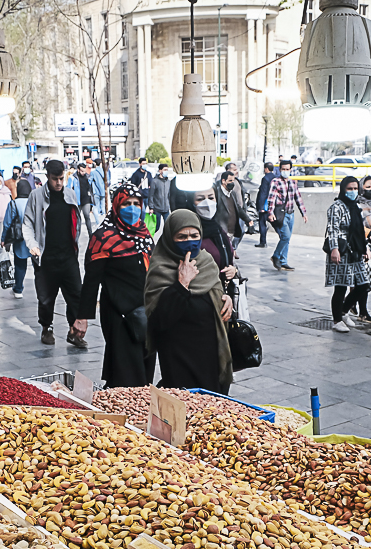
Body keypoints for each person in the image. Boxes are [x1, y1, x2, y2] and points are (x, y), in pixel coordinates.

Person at [73, 183, 155, 387]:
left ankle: (139, 410)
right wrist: (82, 317)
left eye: (137, 203)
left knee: (145, 370)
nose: (133, 208)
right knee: (125, 372)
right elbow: (91, 281)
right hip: (119, 315)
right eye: (127, 203)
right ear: (117, 206)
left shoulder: (144, 235)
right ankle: (122, 411)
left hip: (146, 314)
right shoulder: (103, 238)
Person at [144, 210, 235, 393]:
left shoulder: (206, 261)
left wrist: (226, 300)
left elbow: (217, 290)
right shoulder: (161, 267)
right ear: (170, 238)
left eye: (194, 235)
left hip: (211, 352)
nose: (189, 241)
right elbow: (159, 319)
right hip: (179, 355)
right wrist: (182, 283)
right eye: (182, 236)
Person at [21, 159, 86, 348]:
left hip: (68, 256)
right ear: (47, 177)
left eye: (61, 179)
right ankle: (46, 327)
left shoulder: (71, 194)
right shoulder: (36, 196)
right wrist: (32, 245)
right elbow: (28, 223)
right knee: (46, 297)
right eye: (54, 179)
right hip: (46, 257)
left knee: (75, 294)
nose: (58, 183)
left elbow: (77, 221)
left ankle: (74, 331)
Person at [325, 176, 371, 332]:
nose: (352, 192)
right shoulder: (336, 207)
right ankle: (337, 319)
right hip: (342, 249)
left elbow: (360, 229)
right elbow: (332, 229)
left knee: (363, 284)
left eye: (355, 188)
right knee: (341, 286)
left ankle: (344, 310)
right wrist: (334, 248)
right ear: (343, 189)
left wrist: (365, 247)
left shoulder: (356, 206)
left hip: (356, 250)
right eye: (349, 189)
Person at [264, 159, 308, 271]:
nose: (285, 171)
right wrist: (270, 213)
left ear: (290, 170)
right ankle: (276, 256)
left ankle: (283, 261)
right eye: (283, 169)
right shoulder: (276, 181)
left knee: (287, 239)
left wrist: (304, 213)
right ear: (280, 170)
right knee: (285, 236)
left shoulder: (293, 182)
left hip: (290, 214)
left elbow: (298, 198)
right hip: (280, 214)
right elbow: (271, 199)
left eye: (287, 169)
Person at [1, 193, 29, 300]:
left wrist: (4, 239)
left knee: (20, 263)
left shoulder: (14, 203)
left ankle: (18, 289)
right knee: (38, 266)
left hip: (19, 237)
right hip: (35, 237)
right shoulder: (35, 201)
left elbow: (7, 223)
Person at [214, 171, 251, 249]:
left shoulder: (232, 194)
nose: (232, 183)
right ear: (223, 181)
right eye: (230, 181)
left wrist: (247, 219)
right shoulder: (216, 193)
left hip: (231, 230)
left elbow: (237, 208)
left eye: (233, 181)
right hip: (222, 230)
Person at [254, 162, 276, 248]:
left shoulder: (265, 178)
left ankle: (263, 242)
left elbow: (263, 193)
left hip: (265, 204)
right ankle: (282, 237)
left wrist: (261, 206)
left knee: (262, 223)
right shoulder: (275, 178)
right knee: (274, 223)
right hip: (273, 204)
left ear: (266, 168)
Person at [71, 161, 95, 237]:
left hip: (86, 199)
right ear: (78, 170)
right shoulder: (73, 178)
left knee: (87, 216)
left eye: (84, 171)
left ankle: (90, 235)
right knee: (77, 219)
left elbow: (91, 188)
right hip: (76, 201)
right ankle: (76, 236)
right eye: (81, 171)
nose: (83, 173)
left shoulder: (88, 177)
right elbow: (69, 189)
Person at [149, 163, 171, 230]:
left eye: (167, 170)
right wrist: (151, 207)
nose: (166, 171)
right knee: (156, 227)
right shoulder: (155, 181)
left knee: (168, 227)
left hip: (166, 209)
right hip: (157, 208)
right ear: (160, 171)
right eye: (165, 170)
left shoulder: (168, 181)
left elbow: (169, 195)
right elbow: (151, 195)